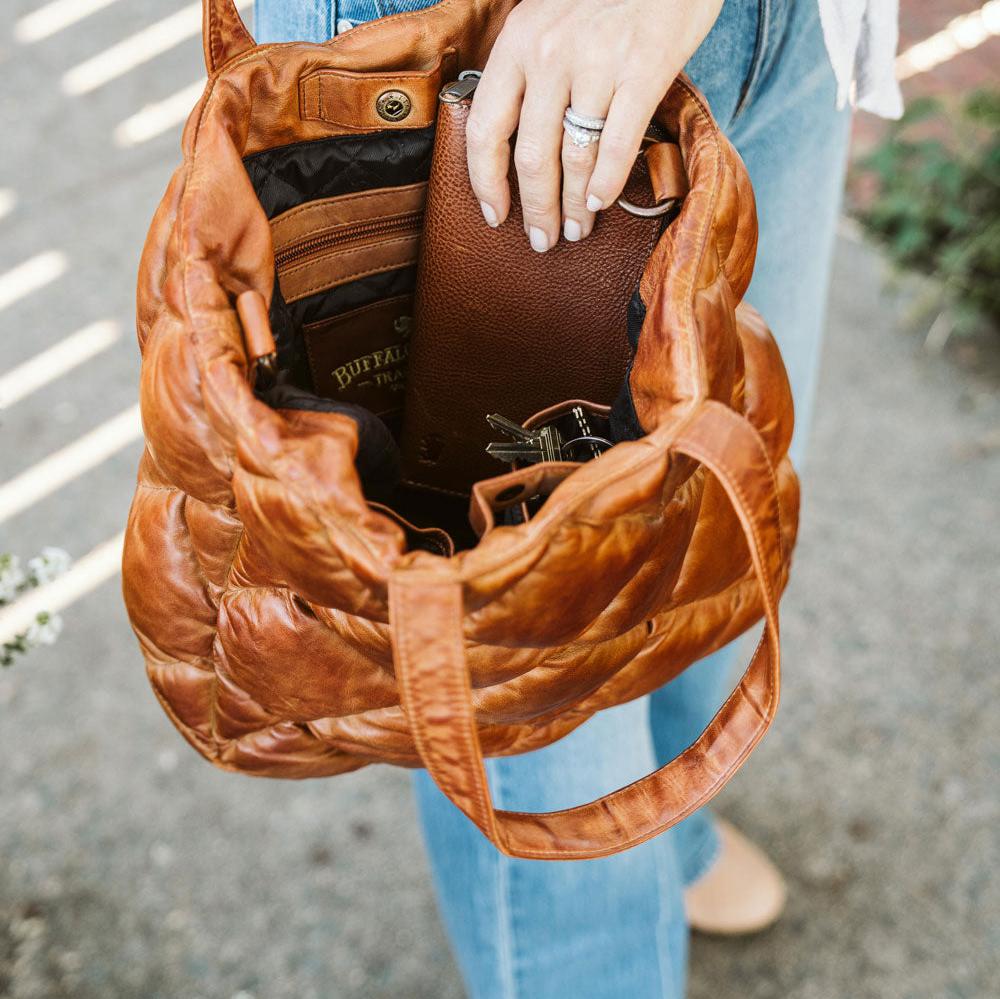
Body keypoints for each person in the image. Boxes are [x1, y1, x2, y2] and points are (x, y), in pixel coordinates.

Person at [255, 2, 901, 996]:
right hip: (499, 36)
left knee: (721, 521)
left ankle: (666, 846)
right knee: (536, 655)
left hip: (771, 28)